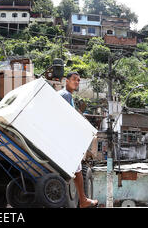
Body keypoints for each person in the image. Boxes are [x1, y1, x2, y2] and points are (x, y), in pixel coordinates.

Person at [58, 72, 99, 208]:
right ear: (66, 80)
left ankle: (82, 199)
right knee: (77, 169)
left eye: (78, 80)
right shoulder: (66, 95)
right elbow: (69, 118)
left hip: (62, 136)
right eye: (74, 80)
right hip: (65, 138)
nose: (77, 82)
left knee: (76, 170)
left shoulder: (63, 95)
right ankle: (83, 200)